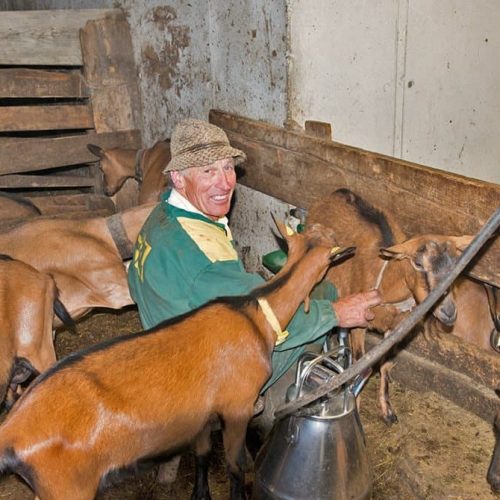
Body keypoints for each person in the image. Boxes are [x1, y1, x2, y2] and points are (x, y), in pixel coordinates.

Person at [127, 118, 381, 482]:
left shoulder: (161, 217)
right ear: (179, 178)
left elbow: (139, 285)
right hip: (199, 377)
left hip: (164, 345)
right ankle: (281, 435)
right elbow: (267, 319)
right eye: (208, 170)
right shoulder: (202, 259)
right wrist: (336, 312)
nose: (225, 181)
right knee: (317, 309)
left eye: (228, 167)